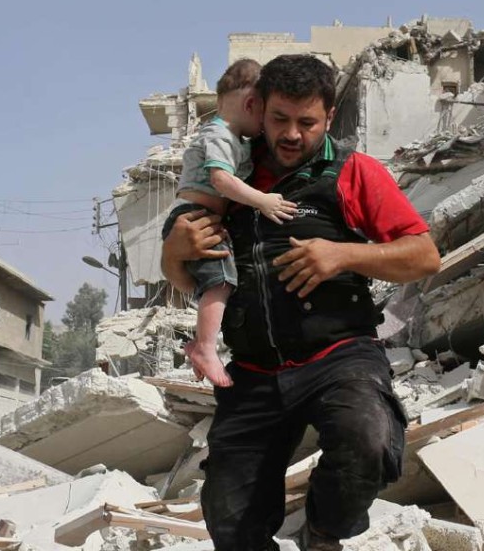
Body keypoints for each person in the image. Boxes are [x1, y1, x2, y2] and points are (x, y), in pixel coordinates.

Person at [161, 54, 442, 550]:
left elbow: (424, 256)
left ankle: (324, 533)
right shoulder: (230, 174)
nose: (292, 135)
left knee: (368, 440)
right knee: (229, 516)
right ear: (259, 109)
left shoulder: (354, 173)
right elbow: (184, 279)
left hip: (338, 357)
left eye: (307, 123)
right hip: (254, 369)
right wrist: (172, 251)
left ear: (329, 118)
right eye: (279, 120)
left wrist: (342, 255)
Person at [161, 58, 297, 387]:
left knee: (218, 286)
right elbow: (221, 180)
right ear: (251, 104)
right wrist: (263, 201)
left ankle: (200, 344)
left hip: (206, 220)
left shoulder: (237, 140)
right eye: (265, 116)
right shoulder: (219, 136)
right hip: (194, 218)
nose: (265, 127)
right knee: (220, 283)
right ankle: (205, 348)